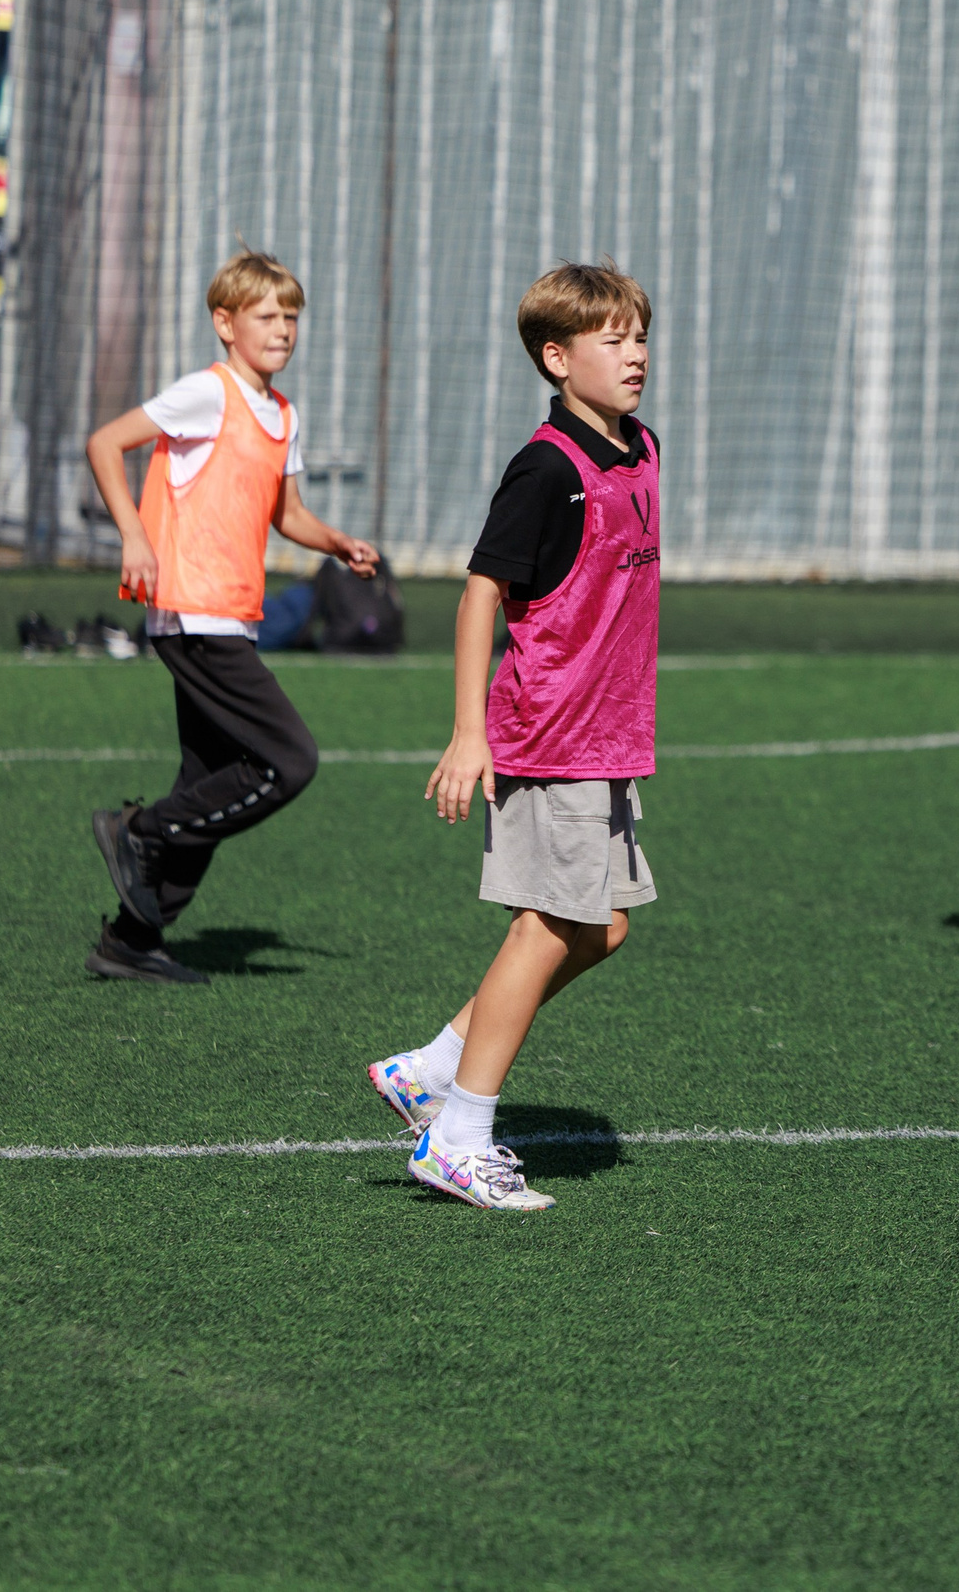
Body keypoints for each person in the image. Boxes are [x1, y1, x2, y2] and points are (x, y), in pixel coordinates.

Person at [366, 262, 659, 1211]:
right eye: (611, 340)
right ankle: (460, 1133)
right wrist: (468, 734)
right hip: (551, 735)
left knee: (601, 928)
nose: (635, 355)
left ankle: (434, 1067)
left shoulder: (640, 447)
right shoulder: (545, 467)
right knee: (547, 927)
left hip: (609, 738)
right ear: (556, 357)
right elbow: (482, 593)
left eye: (639, 336)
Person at [82, 252, 379, 984]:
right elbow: (104, 443)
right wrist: (134, 535)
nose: (283, 329)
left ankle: (132, 938)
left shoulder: (282, 413)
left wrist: (335, 542)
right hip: (191, 609)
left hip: (231, 615)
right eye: (267, 316)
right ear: (225, 323)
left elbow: (289, 513)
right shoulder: (205, 395)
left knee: (208, 778)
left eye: (292, 317)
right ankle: (139, 831)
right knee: (289, 760)